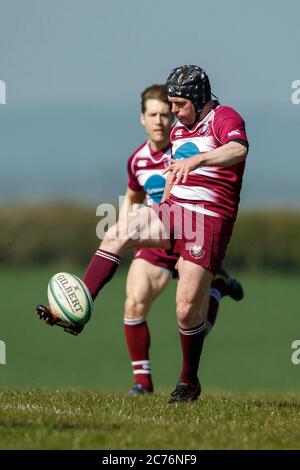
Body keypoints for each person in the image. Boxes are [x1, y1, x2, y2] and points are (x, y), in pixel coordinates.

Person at [37, 66, 248, 403]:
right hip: (175, 210)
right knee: (119, 229)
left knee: (186, 311)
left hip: (209, 221)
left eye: (178, 104)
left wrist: (199, 161)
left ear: (197, 98)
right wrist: (159, 210)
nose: (173, 113)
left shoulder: (224, 117)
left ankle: (188, 381)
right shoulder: (180, 130)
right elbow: (171, 174)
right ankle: (80, 308)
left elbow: (238, 150)